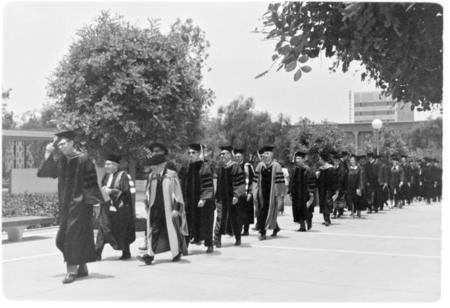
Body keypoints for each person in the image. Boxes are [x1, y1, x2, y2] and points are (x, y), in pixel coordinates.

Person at [37, 130, 103, 284]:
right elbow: (44, 173)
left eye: (64, 143)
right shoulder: (61, 160)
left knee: (71, 237)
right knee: (61, 239)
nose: (61, 147)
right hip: (65, 205)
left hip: (80, 204)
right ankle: (82, 266)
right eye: (59, 145)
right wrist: (48, 152)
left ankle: (71, 271)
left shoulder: (83, 159)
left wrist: (96, 203)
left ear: (72, 142)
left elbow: (91, 182)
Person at [138, 154, 188, 265]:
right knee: (154, 230)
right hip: (155, 209)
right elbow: (148, 192)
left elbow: (177, 193)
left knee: (172, 231)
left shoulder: (171, 175)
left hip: (168, 209)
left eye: (154, 166)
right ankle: (150, 256)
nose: (152, 168)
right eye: (151, 166)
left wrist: (176, 209)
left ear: (162, 165)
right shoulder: (151, 176)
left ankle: (176, 253)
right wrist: (147, 204)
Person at [95, 154, 136, 261]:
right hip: (106, 207)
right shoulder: (106, 176)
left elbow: (126, 191)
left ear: (115, 165)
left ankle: (126, 252)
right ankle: (97, 252)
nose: (106, 166)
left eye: (108, 164)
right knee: (103, 227)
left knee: (122, 230)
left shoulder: (123, 175)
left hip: (120, 208)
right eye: (105, 164)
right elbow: (103, 186)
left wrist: (112, 191)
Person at [179, 143, 215, 253]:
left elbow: (208, 184)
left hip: (203, 202)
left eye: (193, 153)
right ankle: (185, 247)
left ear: (199, 154)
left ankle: (209, 244)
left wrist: (203, 198)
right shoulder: (185, 168)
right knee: (187, 223)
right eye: (189, 153)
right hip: (189, 201)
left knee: (206, 223)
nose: (190, 155)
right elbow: (179, 183)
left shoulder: (205, 166)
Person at [213, 146, 246, 247]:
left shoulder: (235, 167)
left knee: (235, 217)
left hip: (233, 197)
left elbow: (241, 182)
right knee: (220, 217)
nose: (221, 155)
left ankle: (238, 237)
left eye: (224, 154)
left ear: (229, 155)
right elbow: (217, 183)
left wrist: (236, 195)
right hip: (221, 198)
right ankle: (217, 239)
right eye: (221, 154)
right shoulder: (220, 168)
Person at [253, 146, 286, 240]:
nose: (265, 156)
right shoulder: (260, 165)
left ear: (271, 155)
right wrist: (255, 191)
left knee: (266, 212)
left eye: (267, 154)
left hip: (272, 194)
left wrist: (279, 195)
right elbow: (255, 180)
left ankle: (262, 232)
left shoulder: (276, 166)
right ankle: (276, 227)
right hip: (261, 193)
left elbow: (280, 182)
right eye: (264, 154)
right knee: (262, 212)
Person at [289, 151, 315, 231]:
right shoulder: (295, 170)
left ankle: (309, 221)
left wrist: (311, 193)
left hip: (305, 194)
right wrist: (290, 191)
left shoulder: (308, 170)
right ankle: (302, 226)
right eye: (296, 158)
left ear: (303, 160)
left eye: (299, 158)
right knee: (298, 209)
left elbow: (312, 182)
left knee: (306, 210)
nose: (297, 160)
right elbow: (291, 181)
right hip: (297, 194)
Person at [233, 149, 255, 236]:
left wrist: (250, 192)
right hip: (237, 193)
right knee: (238, 212)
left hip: (246, 192)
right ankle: (238, 228)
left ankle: (246, 230)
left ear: (242, 157)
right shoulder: (234, 166)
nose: (237, 158)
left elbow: (252, 180)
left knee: (246, 212)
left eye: (238, 156)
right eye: (235, 157)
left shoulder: (247, 166)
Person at [316, 151, 339, 226]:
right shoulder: (320, 169)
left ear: (323, 159)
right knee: (323, 203)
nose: (319, 160)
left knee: (327, 204)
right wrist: (317, 176)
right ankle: (325, 218)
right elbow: (318, 181)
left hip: (328, 189)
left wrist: (336, 191)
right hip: (321, 189)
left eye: (320, 159)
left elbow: (334, 181)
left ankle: (327, 219)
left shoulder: (331, 169)